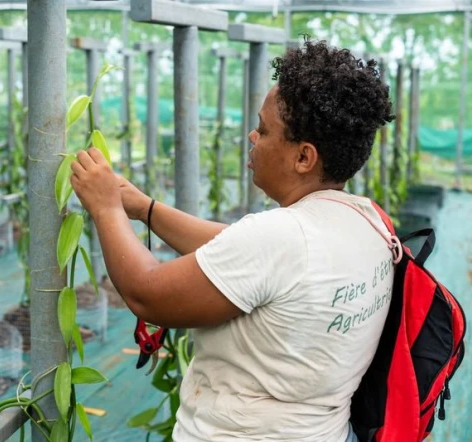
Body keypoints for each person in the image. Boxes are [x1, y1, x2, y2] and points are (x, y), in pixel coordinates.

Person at [70, 39, 395, 442]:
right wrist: (144, 209)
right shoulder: (364, 220)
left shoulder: (279, 239)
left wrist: (106, 209)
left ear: (303, 158)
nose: (251, 136)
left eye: (264, 129)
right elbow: (239, 254)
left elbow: (146, 294)